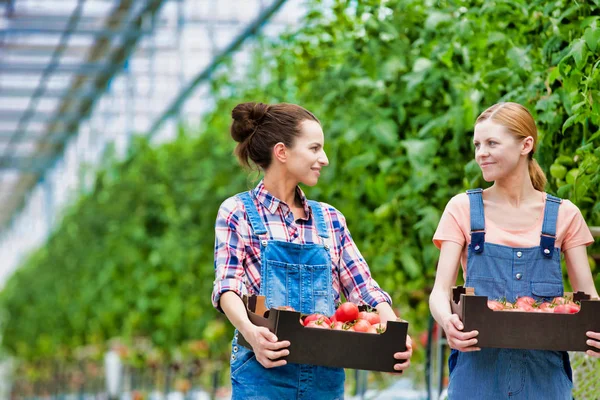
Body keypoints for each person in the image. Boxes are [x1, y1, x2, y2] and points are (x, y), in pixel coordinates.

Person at [211, 102, 412, 399]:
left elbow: (363, 287)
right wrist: (251, 334)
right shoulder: (238, 211)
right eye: (315, 149)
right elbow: (228, 286)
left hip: (325, 377)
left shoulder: (329, 219)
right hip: (263, 371)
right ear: (282, 152)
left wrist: (394, 330)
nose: (325, 159)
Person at [429, 102, 600, 399]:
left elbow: (588, 296)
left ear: (526, 145)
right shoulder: (463, 209)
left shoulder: (564, 215)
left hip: (545, 376)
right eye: (477, 144)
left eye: (492, 143)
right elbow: (440, 291)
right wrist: (447, 321)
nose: (481, 152)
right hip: (477, 372)